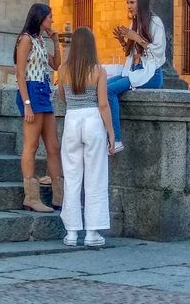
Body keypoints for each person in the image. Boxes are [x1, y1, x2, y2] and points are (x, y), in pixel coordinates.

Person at [57, 27, 114, 247]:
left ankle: (71, 232)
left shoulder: (63, 70)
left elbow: (62, 97)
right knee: (95, 177)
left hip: (72, 119)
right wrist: (111, 133)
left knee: (72, 177)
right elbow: (102, 104)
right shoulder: (98, 70)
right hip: (92, 120)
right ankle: (92, 232)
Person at [15, 3, 63, 213]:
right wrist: (26, 104)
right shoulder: (25, 39)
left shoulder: (41, 40)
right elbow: (20, 73)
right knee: (31, 145)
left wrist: (55, 41)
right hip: (32, 92)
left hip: (44, 91)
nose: (52, 20)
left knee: (53, 146)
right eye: (50, 17)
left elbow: (56, 65)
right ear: (40, 17)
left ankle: (59, 195)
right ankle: (31, 197)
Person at [109, 0, 166, 153]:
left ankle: (116, 139)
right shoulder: (134, 23)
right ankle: (108, 134)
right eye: (127, 2)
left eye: (132, 2)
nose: (129, 6)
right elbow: (130, 52)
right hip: (134, 70)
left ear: (141, 2)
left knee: (109, 91)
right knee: (101, 86)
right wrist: (123, 41)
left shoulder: (155, 22)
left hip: (150, 73)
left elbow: (159, 52)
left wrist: (137, 38)